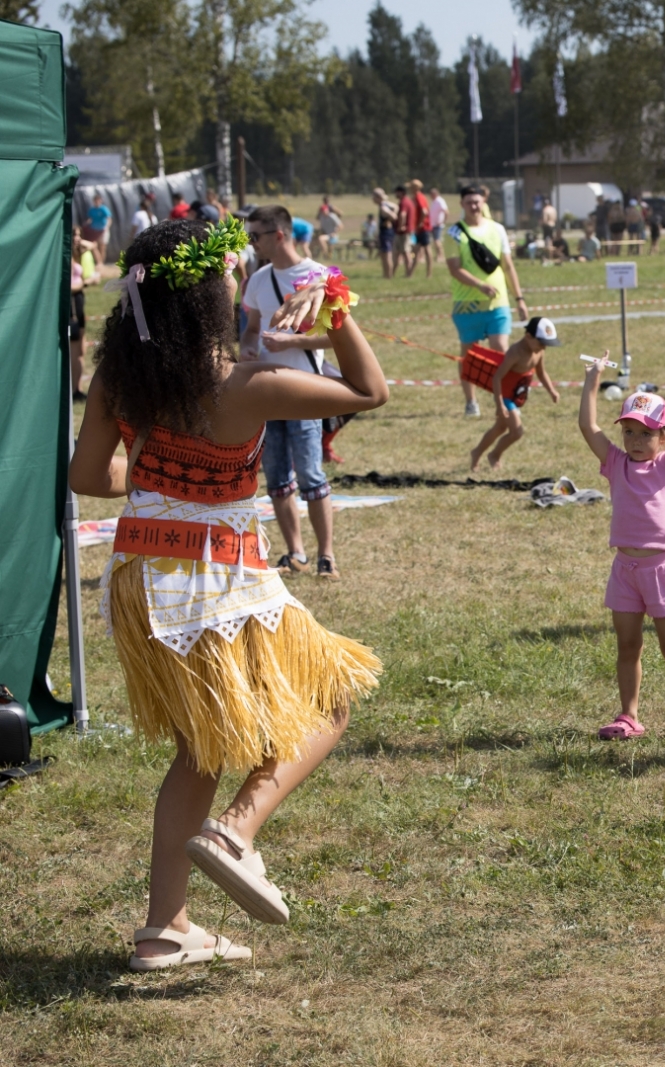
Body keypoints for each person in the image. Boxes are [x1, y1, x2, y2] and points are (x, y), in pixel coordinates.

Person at [69, 214, 385, 970]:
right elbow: (367, 391)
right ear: (211, 296)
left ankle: (163, 929)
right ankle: (236, 829)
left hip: (141, 575)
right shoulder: (247, 383)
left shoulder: (123, 377)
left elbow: (87, 477)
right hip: (215, 573)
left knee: (201, 745)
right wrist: (334, 307)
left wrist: (149, 474)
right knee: (332, 692)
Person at [578, 357, 665, 743]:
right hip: (625, 570)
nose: (636, 442)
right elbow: (588, 426)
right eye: (630, 432)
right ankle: (629, 716)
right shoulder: (615, 463)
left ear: (663, 437)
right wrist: (592, 380)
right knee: (628, 645)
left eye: (646, 434)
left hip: (660, 570)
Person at [239, 205, 344, 580]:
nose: (250, 244)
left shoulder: (320, 276)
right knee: (278, 478)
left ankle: (326, 556)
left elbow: (339, 338)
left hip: (304, 393)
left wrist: (292, 343)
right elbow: (251, 328)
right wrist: (248, 346)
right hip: (266, 394)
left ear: (279, 235)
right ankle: (294, 552)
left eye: (255, 236)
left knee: (312, 476)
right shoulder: (257, 280)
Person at [447, 184, 529, 417]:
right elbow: (454, 269)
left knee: (502, 351)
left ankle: (505, 401)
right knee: (469, 354)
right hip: (467, 305)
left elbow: (508, 266)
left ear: (483, 202)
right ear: (462, 205)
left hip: (498, 303)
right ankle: (471, 402)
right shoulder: (454, 233)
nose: (474, 206)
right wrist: (479, 285)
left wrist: (519, 299)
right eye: (469, 202)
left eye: (477, 201)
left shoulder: (498, 229)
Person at [468, 316, 563, 471]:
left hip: (515, 395)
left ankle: (476, 452)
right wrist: (499, 404)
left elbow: (541, 372)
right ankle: (494, 455)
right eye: (541, 343)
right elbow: (497, 377)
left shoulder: (538, 351)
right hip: (505, 396)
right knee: (517, 432)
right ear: (528, 337)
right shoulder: (515, 352)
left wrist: (551, 390)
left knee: (499, 428)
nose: (543, 348)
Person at [68, 229, 99, 401]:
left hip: (79, 303)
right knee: (74, 350)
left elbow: (93, 248)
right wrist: (86, 282)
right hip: (71, 305)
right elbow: (68, 285)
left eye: (79, 235)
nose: (78, 239)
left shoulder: (77, 253)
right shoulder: (64, 255)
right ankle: (72, 390)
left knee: (81, 350)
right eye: (74, 235)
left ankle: (77, 388)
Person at [409, 180, 433, 276]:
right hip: (418, 229)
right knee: (415, 250)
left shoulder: (419, 197)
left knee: (427, 250)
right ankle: (410, 273)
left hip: (423, 229)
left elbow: (424, 211)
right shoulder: (415, 197)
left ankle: (429, 273)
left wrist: (420, 223)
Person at [373, 187, 398, 278]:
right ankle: (386, 274)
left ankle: (388, 275)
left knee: (387, 255)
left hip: (386, 233)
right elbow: (396, 207)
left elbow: (394, 217)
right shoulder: (387, 204)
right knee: (384, 254)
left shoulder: (383, 207)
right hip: (386, 232)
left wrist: (389, 220)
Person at [395, 184, 419, 276]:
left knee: (406, 252)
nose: (395, 194)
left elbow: (402, 214)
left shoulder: (403, 202)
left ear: (401, 193)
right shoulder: (409, 201)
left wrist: (400, 226)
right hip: (408, 231)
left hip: (404, 232)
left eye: (397, 192)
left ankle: (408, 272)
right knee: (404, 251)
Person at [83, 191, 111, 261]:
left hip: (103, 230)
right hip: (94, 230)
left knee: (102, 246)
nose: (97, 202)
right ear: (94, 201)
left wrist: (107, 227)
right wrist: (86, 224)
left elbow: (109, 219)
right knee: (94, 245)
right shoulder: (91, 210)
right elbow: (89, 219)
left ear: (100, 201)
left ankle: (101, 262)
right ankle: (98, 261)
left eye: (98, 200)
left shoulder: (104, 209)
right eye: (95, 200)